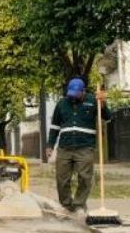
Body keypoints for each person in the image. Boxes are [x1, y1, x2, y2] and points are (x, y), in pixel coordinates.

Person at [46, 77, 111, 217]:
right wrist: (50, 145)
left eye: (76, 94)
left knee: (84, 177)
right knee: (62, 179)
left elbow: (107, 117)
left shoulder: (93, 101)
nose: (73, 97)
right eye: (71, 93)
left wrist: (103, 103)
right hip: (64, 147)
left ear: (83, 91)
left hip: (85, 147)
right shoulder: (62, 103)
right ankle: (66, 206)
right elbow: (54, 126)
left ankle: (79, 205)